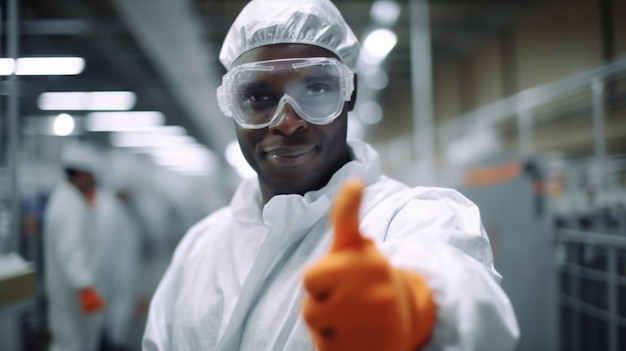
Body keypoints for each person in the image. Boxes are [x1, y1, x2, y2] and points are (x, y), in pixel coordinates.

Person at [143, 0, 520, 350]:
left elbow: (466, 295)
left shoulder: (410, 219)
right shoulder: (200, 246)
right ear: (231, 103)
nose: (288, 122)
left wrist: (414, 308)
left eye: (316, 88)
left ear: (349, 93)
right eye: (259, 98)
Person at [43, 141, 106, 351]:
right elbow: (70, 250)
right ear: (81, 174)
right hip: (71, 294)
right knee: (71, 343)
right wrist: (85, 285)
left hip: (69, 292)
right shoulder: (69, 203)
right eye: (90, 176)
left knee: (72, 341)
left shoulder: (67, 199)